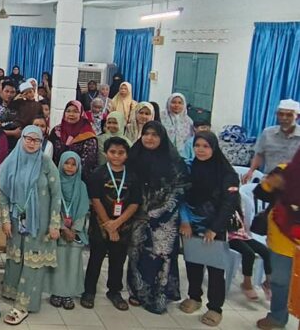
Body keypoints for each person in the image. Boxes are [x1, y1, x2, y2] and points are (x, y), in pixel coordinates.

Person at [0, 125, 61, 324]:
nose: (33, 143)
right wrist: (5, 220)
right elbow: (3, 194)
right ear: (22, 138)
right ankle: (12, 293)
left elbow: (56, 194)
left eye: (37, 140)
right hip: (16, 220)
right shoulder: (10, 162)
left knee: (33, 262)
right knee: (16, 257)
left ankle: (23, 304)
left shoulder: (46, 163)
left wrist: (54, 224)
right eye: (29, 139)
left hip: (40, 223)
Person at [178, 131, 239, 326]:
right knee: (193, 262)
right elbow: (181, 197)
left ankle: (215, 307)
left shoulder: (227, 173)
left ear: (214, 148)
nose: (200, 150)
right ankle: (194, 297)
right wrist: (185, 221)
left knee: (215, 267)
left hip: (215, 226)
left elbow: (229, 204)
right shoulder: (189, 169)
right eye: (197, 146)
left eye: (205, 146)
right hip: (191, 224)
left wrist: (214, 228)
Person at [126, 121, 187, 314]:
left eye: (154, 135)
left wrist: (160, 212)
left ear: (162, 137)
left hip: (165, 219)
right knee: (137, 253)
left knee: (161, 256)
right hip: (138, 215)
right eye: (146, 134)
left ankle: (160, 294)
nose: (149, 138)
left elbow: (180, 190)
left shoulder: (174, 161)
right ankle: (137, 291)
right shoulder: (134, 156)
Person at [81, 137, 139, 311]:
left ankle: (114, 291)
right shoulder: (98, 174)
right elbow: (95, 200)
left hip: (123, 225)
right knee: (95, 258)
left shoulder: (132, 175)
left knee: (118, 259)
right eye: (112, 152)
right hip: (100, 225)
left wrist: (118, 223)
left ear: (127, 155)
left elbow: (135, 203)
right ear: (106, 153)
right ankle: (89, 291)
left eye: (121, 153)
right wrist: (108, 224)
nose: (116, 156)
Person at [252, 148, 300, 330]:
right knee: (280, 281)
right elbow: (259, 193)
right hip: (283, 241)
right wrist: (271, 184)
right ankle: (277, 317)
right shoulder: (285, 171)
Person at [49, 152, 89, 311]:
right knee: (58, 263)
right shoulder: (55, 182)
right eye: (67, 163)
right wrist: (62, 227)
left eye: (73, 164)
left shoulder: (82, 186)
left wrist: (74, 229)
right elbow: (51, 206)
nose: (70, 167)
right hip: (58, 229)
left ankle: (68, 294)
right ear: (60, 164)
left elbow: (84, 209)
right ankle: (56, 292)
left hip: (75, 233)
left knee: (72, 263)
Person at [244, 99, 300, 184]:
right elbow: (259, 155)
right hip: (269, 181)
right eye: (281, 114)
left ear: (297, 116)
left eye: (289, 115)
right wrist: (251, 171)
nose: (284, 118)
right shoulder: (267, 133)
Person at [49, 101, 98, 180]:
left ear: (81, 114)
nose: (71, 114)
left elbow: (88, 163)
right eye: (68, 111)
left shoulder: (88, 135)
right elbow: (50, 156)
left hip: (78, 179)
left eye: (75, 111)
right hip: (55, 177)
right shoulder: (56, 131)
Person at [0, 81, 22, 148]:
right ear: (1, 92)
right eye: (6, 91)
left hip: (17, 145)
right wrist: (13, 133)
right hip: (0, 144)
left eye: (12, 92)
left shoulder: (21, 109)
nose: (9, 94)